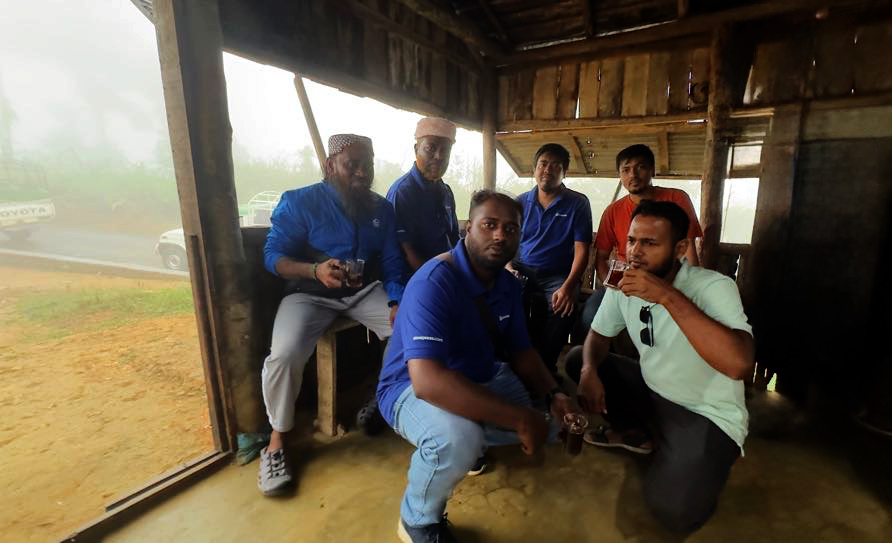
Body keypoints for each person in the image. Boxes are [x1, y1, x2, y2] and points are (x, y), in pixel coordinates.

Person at [377, 190, 578, 543]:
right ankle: (418, 521)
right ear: (468, 229)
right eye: (489, 225)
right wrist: (518, 418)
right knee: (459, 437)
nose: (500, 235)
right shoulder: (433, 281)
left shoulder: (508, 285)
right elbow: (427, 382)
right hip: (407, 387)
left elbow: (522, 352)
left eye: (511, 229)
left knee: (548, 426)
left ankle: (474, 438)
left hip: (478, 375)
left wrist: (554, 395)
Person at [570, 200, 754, 533]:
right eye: (631, 241)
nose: (635, 252)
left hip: (705, 412)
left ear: (681, 248)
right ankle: (637, 432)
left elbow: (739, 364)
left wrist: (666, 296)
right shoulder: (623, 283)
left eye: (650, 243)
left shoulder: (712, 286)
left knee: (671, 511)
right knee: (578, 360)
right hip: (653, 392)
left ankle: (690, 457)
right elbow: (598, 336)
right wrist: (588, 372)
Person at [257, 134, 406, 496]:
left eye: (366, 165)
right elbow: (272, 256)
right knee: (285, 354)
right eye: (351, 164)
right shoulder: (300, 202)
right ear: (330, 166)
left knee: (409, 330)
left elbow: (390, 261)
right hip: (309, 295)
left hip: (363, 290)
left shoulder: (380, 209)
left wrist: (396, 301)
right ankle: (276, 442)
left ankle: (384, 399)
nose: (360, 172)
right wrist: (314, 270)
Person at [583, 144, 702, 328]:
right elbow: (601, 257)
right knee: (590, 316)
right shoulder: (613, 211)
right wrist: (613, 288)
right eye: (626, 170)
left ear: (653, 170)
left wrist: (691, 289)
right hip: (627, 282)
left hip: (668, 280)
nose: (633, 174)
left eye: (641, 167)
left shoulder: (676, 199)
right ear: (620, 176)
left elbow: (689, 251)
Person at [511, 143, 592, 376]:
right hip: (522, 269)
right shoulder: (520, 202)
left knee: (562, 306)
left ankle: (544, 369)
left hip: (558, 275)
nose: (548, 169)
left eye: (555, 165)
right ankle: (513, 363)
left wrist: (568, 286)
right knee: (502, 296)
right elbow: (509, 242)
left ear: (564, 172)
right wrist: (507, 267)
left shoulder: (577, 203)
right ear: (534, 169)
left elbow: (581, 250)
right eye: (543, 164)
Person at [387, 117, 460, 273]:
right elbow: (406, 251)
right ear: (416, 149)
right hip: (420, 279)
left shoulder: (446, 191)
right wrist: (435, 280)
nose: (439, 156)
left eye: (445, 150)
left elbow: (454, 238)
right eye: (430, 148)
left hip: (447, 270)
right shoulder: (403, 192)